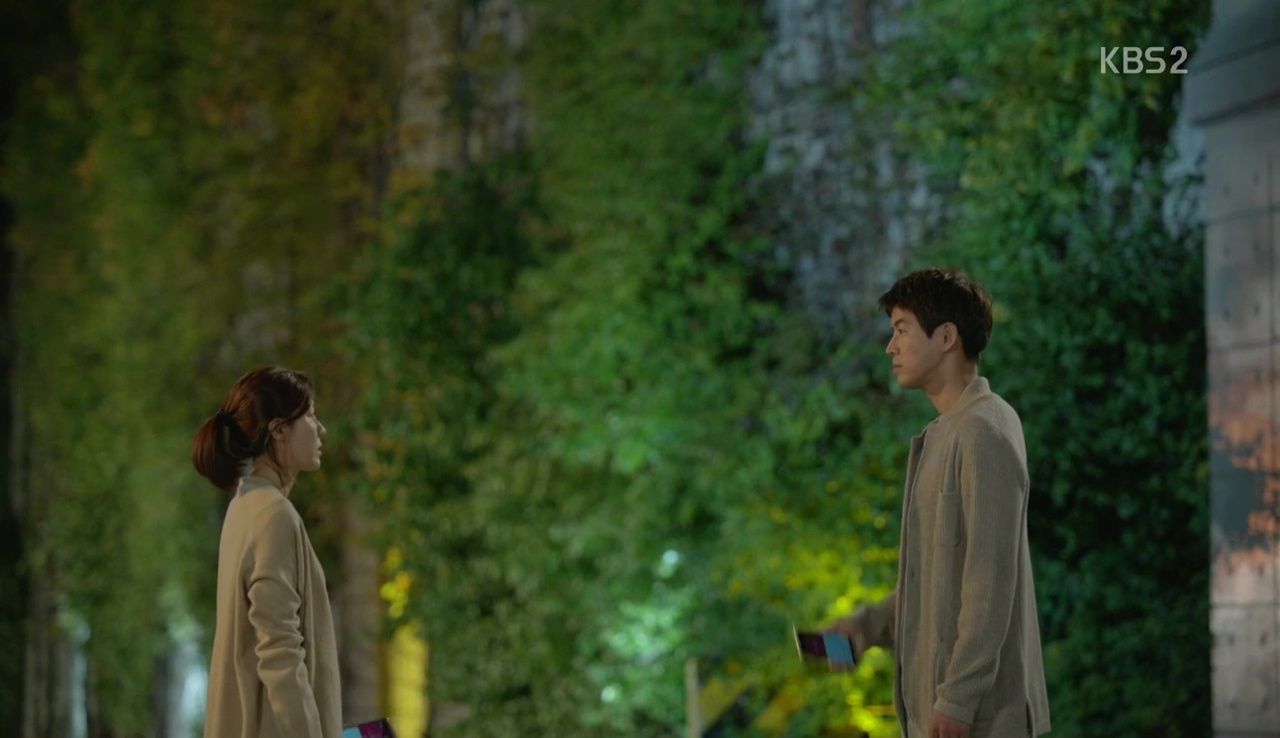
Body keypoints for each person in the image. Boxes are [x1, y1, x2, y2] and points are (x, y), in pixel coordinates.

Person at [831, 269, 1051, 738]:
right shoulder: (943, 434)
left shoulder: (984, 430)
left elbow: (989, 581)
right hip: (942, 715)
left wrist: (958, 699)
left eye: (902, 330)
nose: (890, 347)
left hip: (979, 721)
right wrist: (866, 628)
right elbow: (935, 582)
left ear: (946, 337)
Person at [192, 366, 341, 738]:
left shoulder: (245, 506)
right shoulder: (274, 515)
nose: (321, 429)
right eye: (310, 416)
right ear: (279, 430)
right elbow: (280, 653)